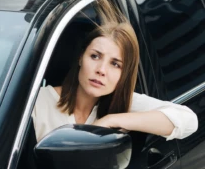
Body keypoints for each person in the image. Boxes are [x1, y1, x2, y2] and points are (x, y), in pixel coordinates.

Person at [32, 15, 198, 142]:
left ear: (124, 74)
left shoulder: (122, 104)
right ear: (81, 57)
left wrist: (111, 120)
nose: (101, 70)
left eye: (115, 64)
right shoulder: (36, 103)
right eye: (95, 56)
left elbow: (188, 121)